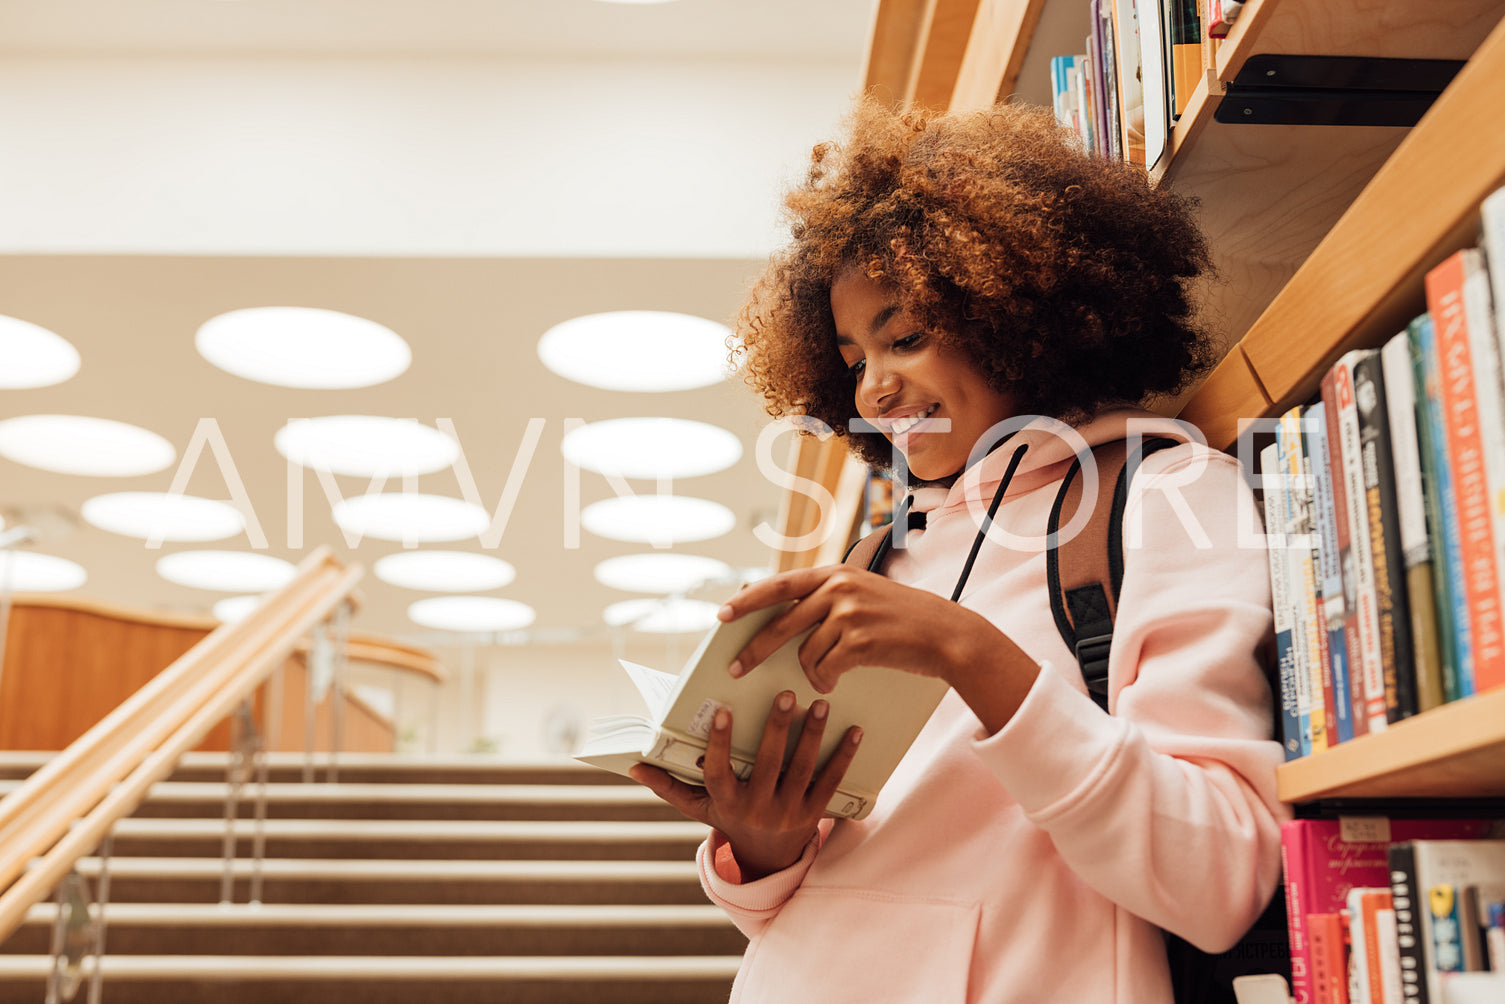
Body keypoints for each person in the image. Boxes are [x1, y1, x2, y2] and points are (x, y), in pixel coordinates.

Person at [627, 95, 1287, 1003]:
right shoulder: (875, 557)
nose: (875, 391)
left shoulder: (1163, 496)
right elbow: (818, 893)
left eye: (906, 337)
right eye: (855, 358)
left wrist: (964, 651)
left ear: (1023, 316)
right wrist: (764, 845)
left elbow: (1218, 881)